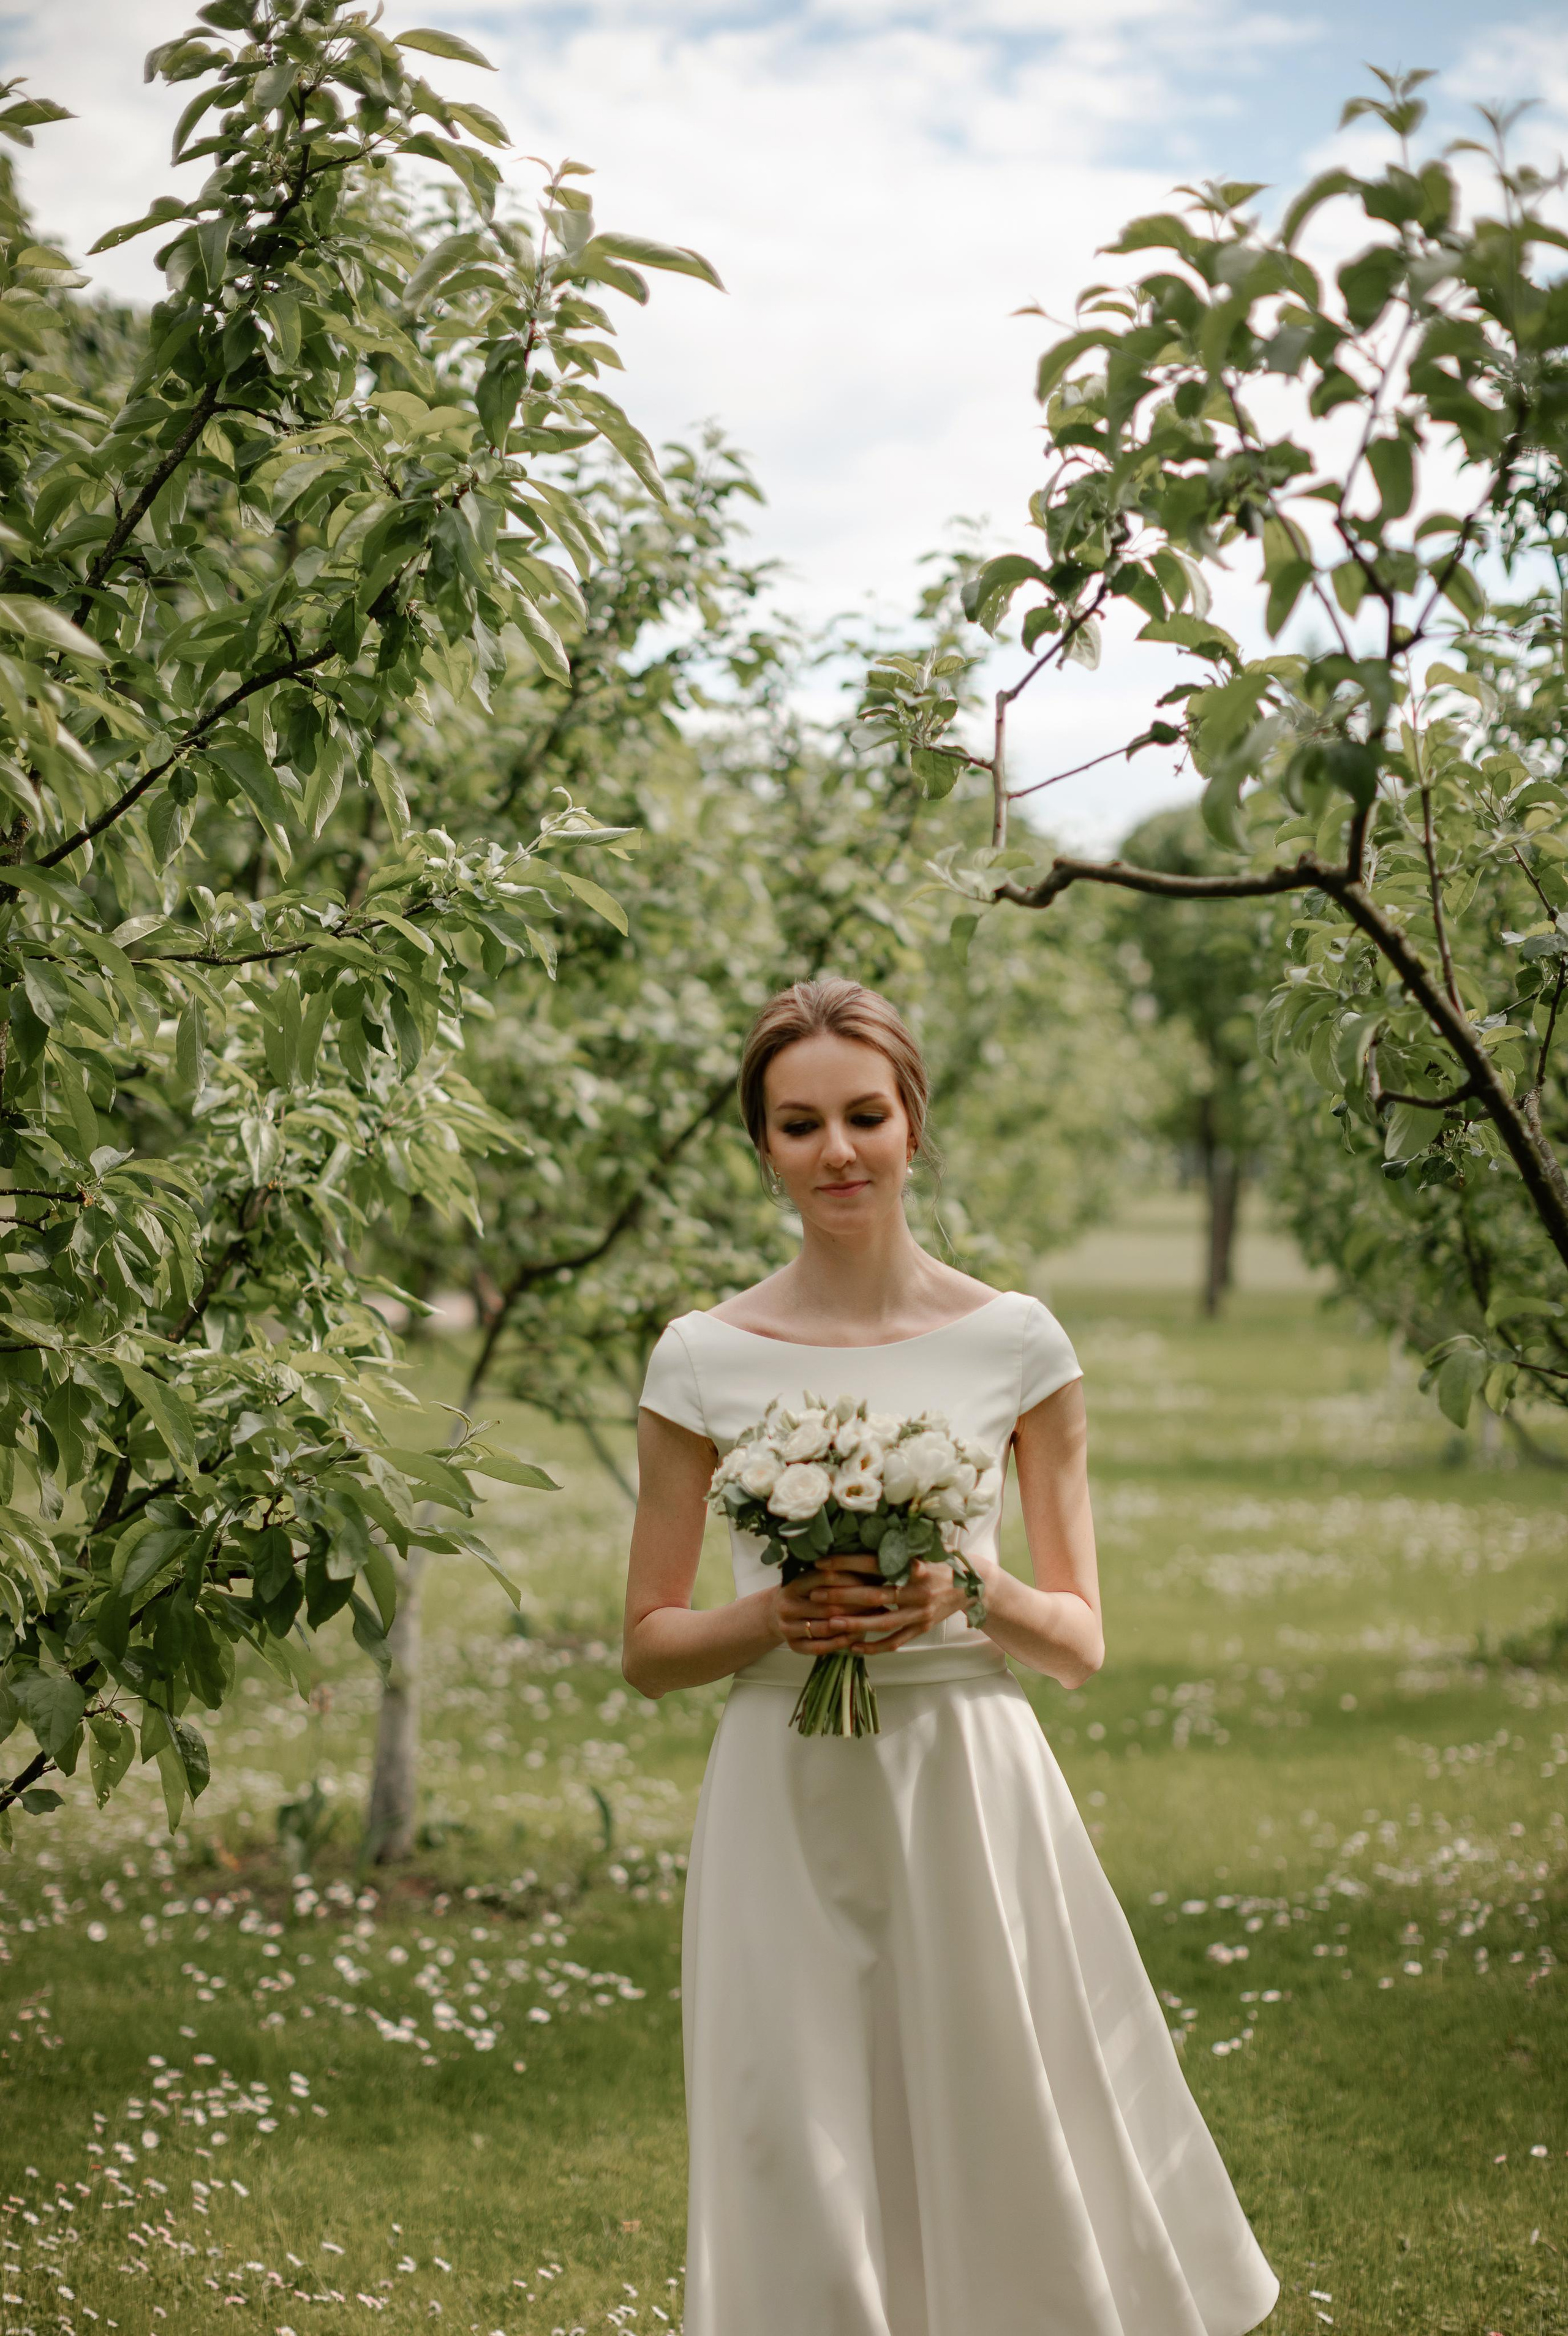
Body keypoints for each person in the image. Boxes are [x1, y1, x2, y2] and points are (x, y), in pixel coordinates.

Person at [622, 975, 1280, 2336]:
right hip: (784, 1796)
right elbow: (648, 1644)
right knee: (792, 2133)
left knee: (1002, 2126)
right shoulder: (697, 1358)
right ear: (762, 1147)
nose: (837, 1151)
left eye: (865, 1115)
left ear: (913, 1124)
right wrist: (771, 1620)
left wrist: (968, 1588)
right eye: (799, 1124)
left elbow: (1081, 1641)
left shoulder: (1017, 1340)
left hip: (970, 1786)